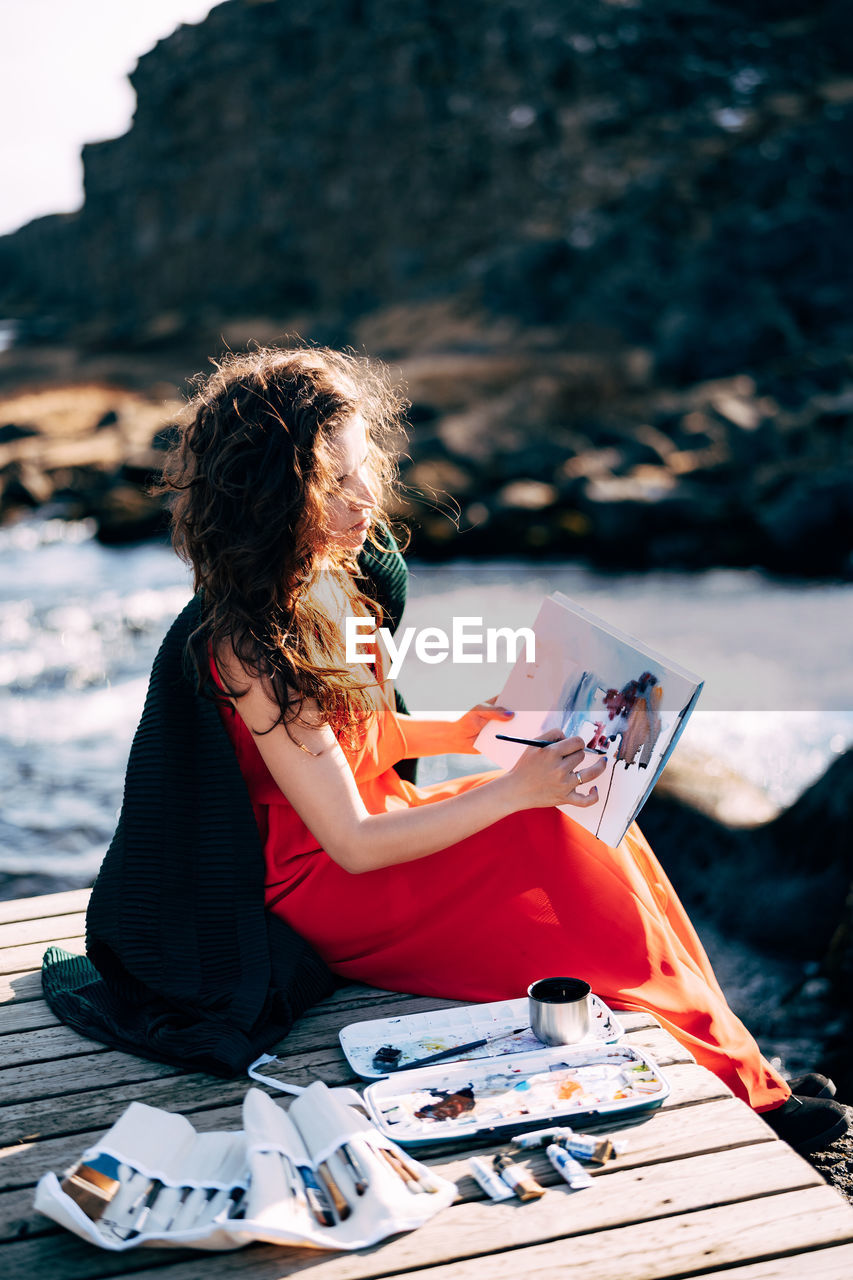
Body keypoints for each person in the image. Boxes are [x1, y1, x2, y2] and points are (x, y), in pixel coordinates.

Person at [51, 343, 847, 1155]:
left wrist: (462, 732)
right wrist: (510, 791)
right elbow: (353, 843)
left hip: (373, 833)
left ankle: (741, 1063)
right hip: (321, 882)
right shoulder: (251, 644)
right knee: (551, 830)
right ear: (270, 492)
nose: (365, 499)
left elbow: (357, 739)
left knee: (606, 826)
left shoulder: (329, 581)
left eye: (365, 469)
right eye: (334, 481)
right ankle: (748, 1093)